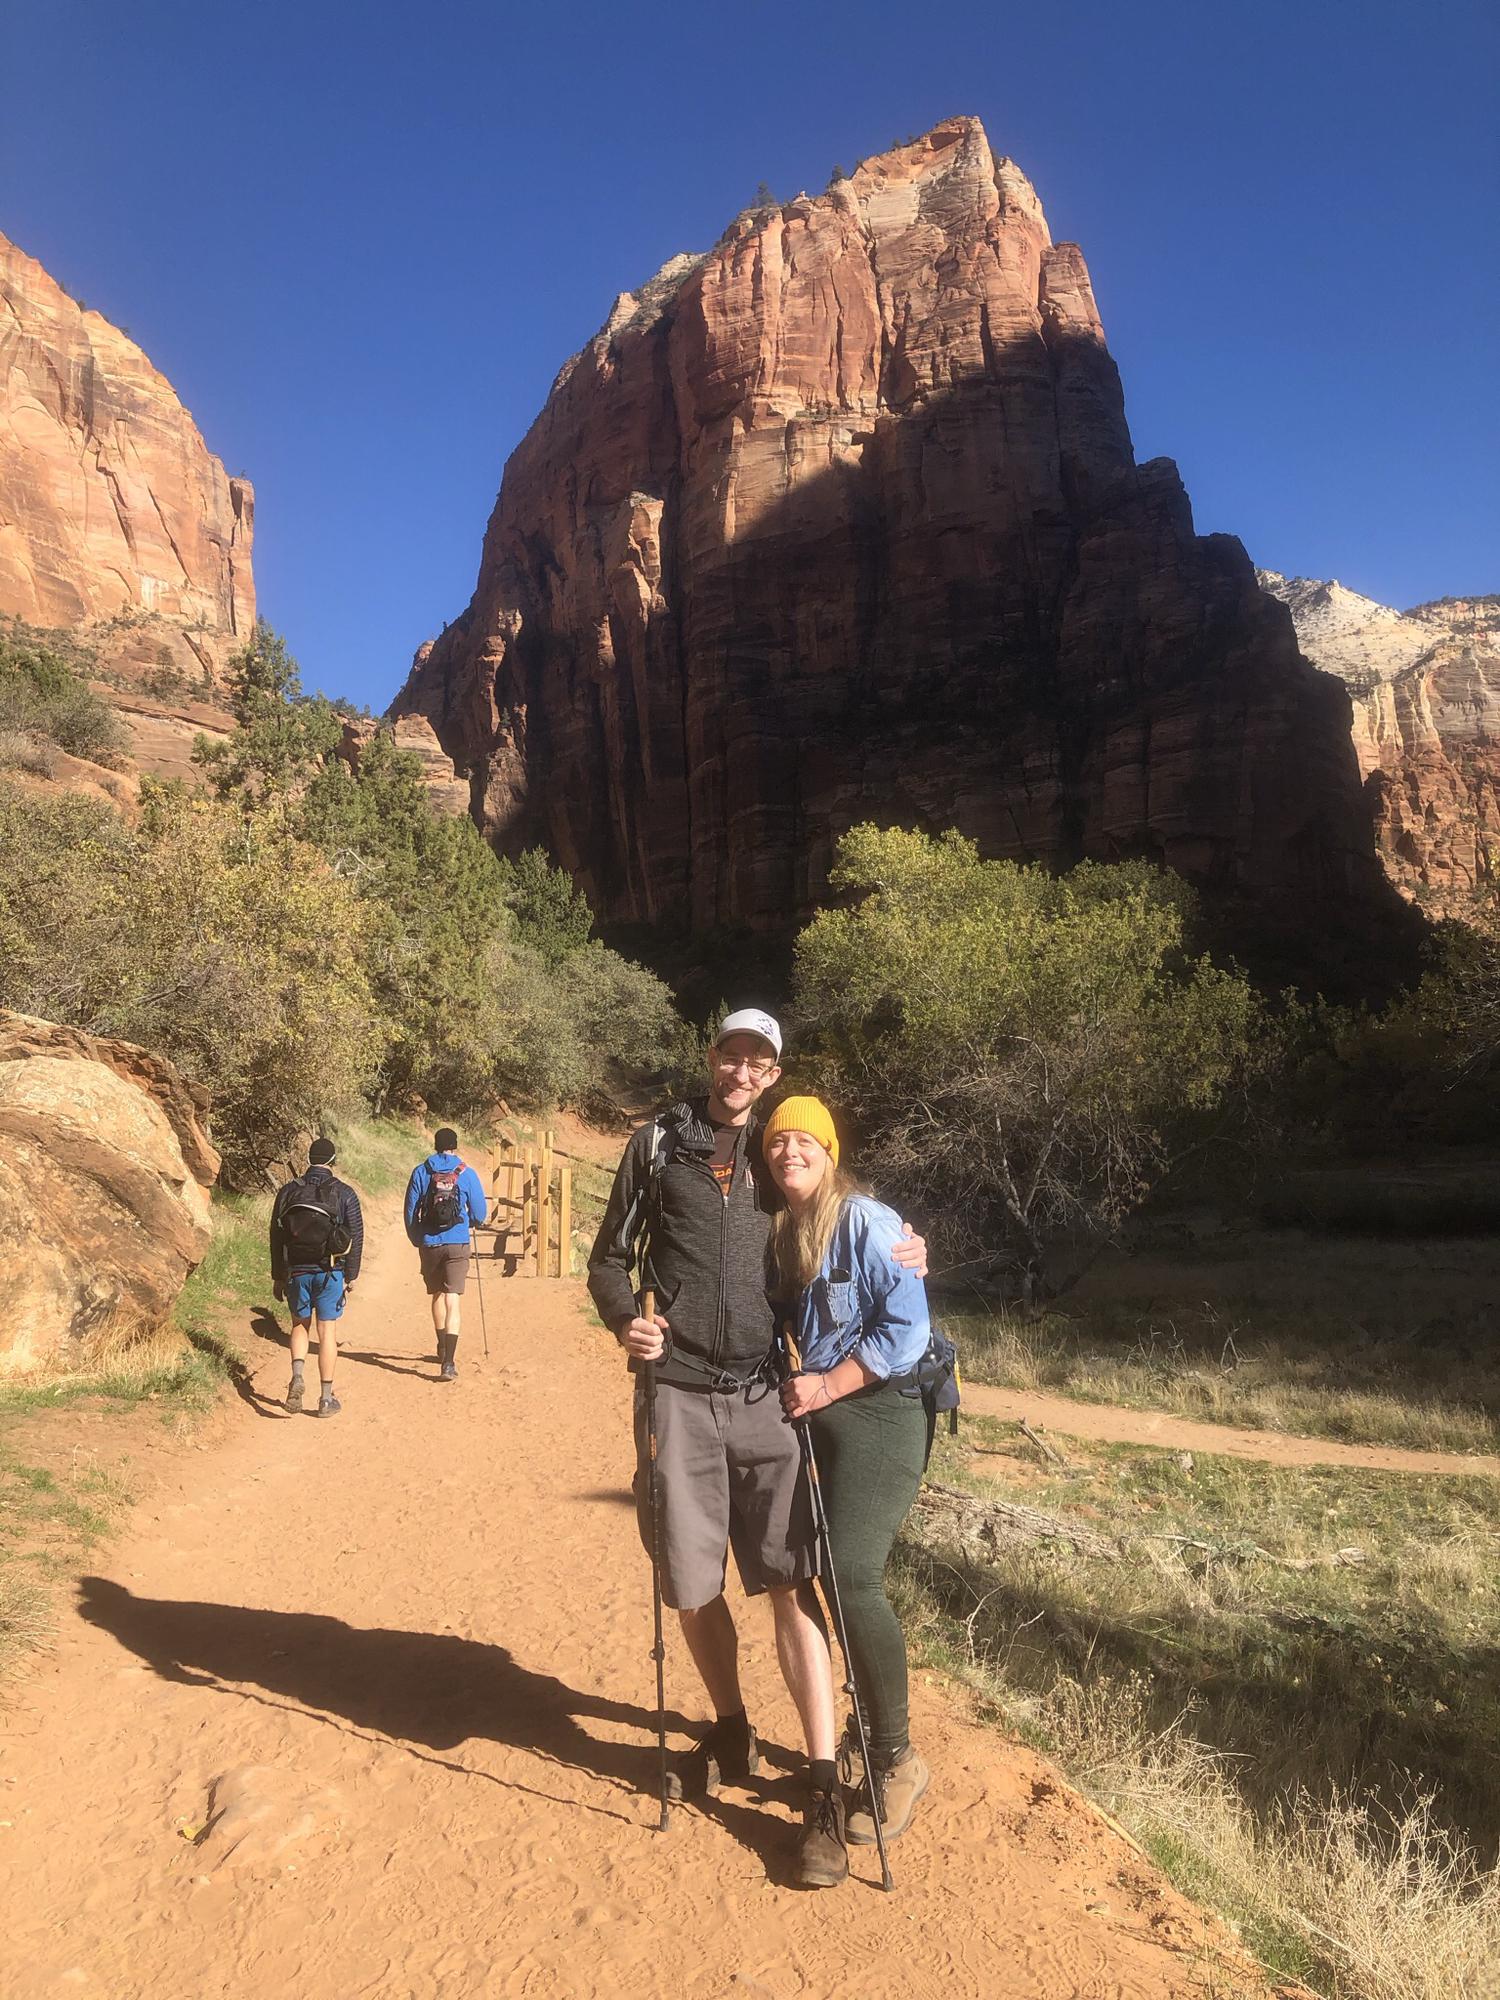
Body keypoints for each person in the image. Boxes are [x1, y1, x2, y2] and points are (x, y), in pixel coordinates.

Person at [588, 1009, 927, 1889]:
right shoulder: (656, 1143)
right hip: (678, 1391)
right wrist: (629, 1321)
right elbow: (607, 1259)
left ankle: (820, 1787)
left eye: (759, 1059)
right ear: (712, 1058)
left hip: (765, 1394)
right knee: (690, 1582)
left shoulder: (780, 1153)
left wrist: (907, 1251)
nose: (742, 1070)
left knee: (791, 1579)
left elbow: (840, 1211)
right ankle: (730, 1726)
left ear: (773, 1074)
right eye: (731, 1053)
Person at [763, 1095, 932, 1851]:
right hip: (821, 1414)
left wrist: (828, 1386)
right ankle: (863, 1736)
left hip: (884, 1410)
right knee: (821, 1573)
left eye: (804, 1141)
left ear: (831, 1152)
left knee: (854, 1575)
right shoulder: (782, 1228)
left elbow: (907, 1326)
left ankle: (897, 1760)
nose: (789, 1152)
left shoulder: (865, 1221)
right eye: (777, 1142)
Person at [269, 1136, 364, 1419]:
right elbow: (356, 1235)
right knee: (327, 1334)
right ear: (333, 1161)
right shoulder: (344, 1193)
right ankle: (325, 1399)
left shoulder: (288, 1191)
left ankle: (297, 1376)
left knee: (299, 1325)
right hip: (330, 1271)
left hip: (297, 1270)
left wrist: (278, 1274)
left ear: (309, 1159)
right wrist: (351, 1274)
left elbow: (275, 1235)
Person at [404, 1127, 489, 1381]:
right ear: (454, 1146)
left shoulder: (421, 1171)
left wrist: (416, 1237)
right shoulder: (466, 1172)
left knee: (436, 1294)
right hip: (458, 1242)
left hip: (430, 1243)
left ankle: (441, 1346)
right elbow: (480, 1213)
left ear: (435, 1145)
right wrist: (470, 1222)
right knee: (453, 1297)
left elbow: (410, 1210)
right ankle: (449, 1363)